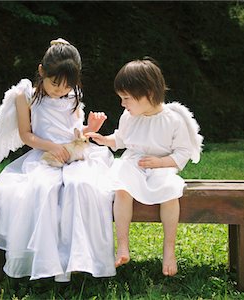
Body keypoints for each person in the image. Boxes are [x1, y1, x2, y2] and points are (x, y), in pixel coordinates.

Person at [0, 38, 116, 282]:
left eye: (67, 86)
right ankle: (47, 261)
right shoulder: (24, 95)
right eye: (55, 83)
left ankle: (80, 258)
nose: (60, 90)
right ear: (41, 71)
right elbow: (27, 135)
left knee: (82, 187)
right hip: (44, 155)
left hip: (75, 155)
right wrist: (53, 147)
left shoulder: (73, 95)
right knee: (43, 189)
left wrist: (91, 127)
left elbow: (77, 133)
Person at [86, 58, 203, 277]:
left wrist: (160, 162)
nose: (123, 104)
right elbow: (121, 140)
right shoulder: (129, 117)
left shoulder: (173, 120)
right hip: (134, 163)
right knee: (122, 186)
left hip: (162, 166)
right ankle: (122, 245)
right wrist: (105, 140)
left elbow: (183, 153)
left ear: (148, 93)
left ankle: (169, 249)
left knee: (169, 192)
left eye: (126, 98)